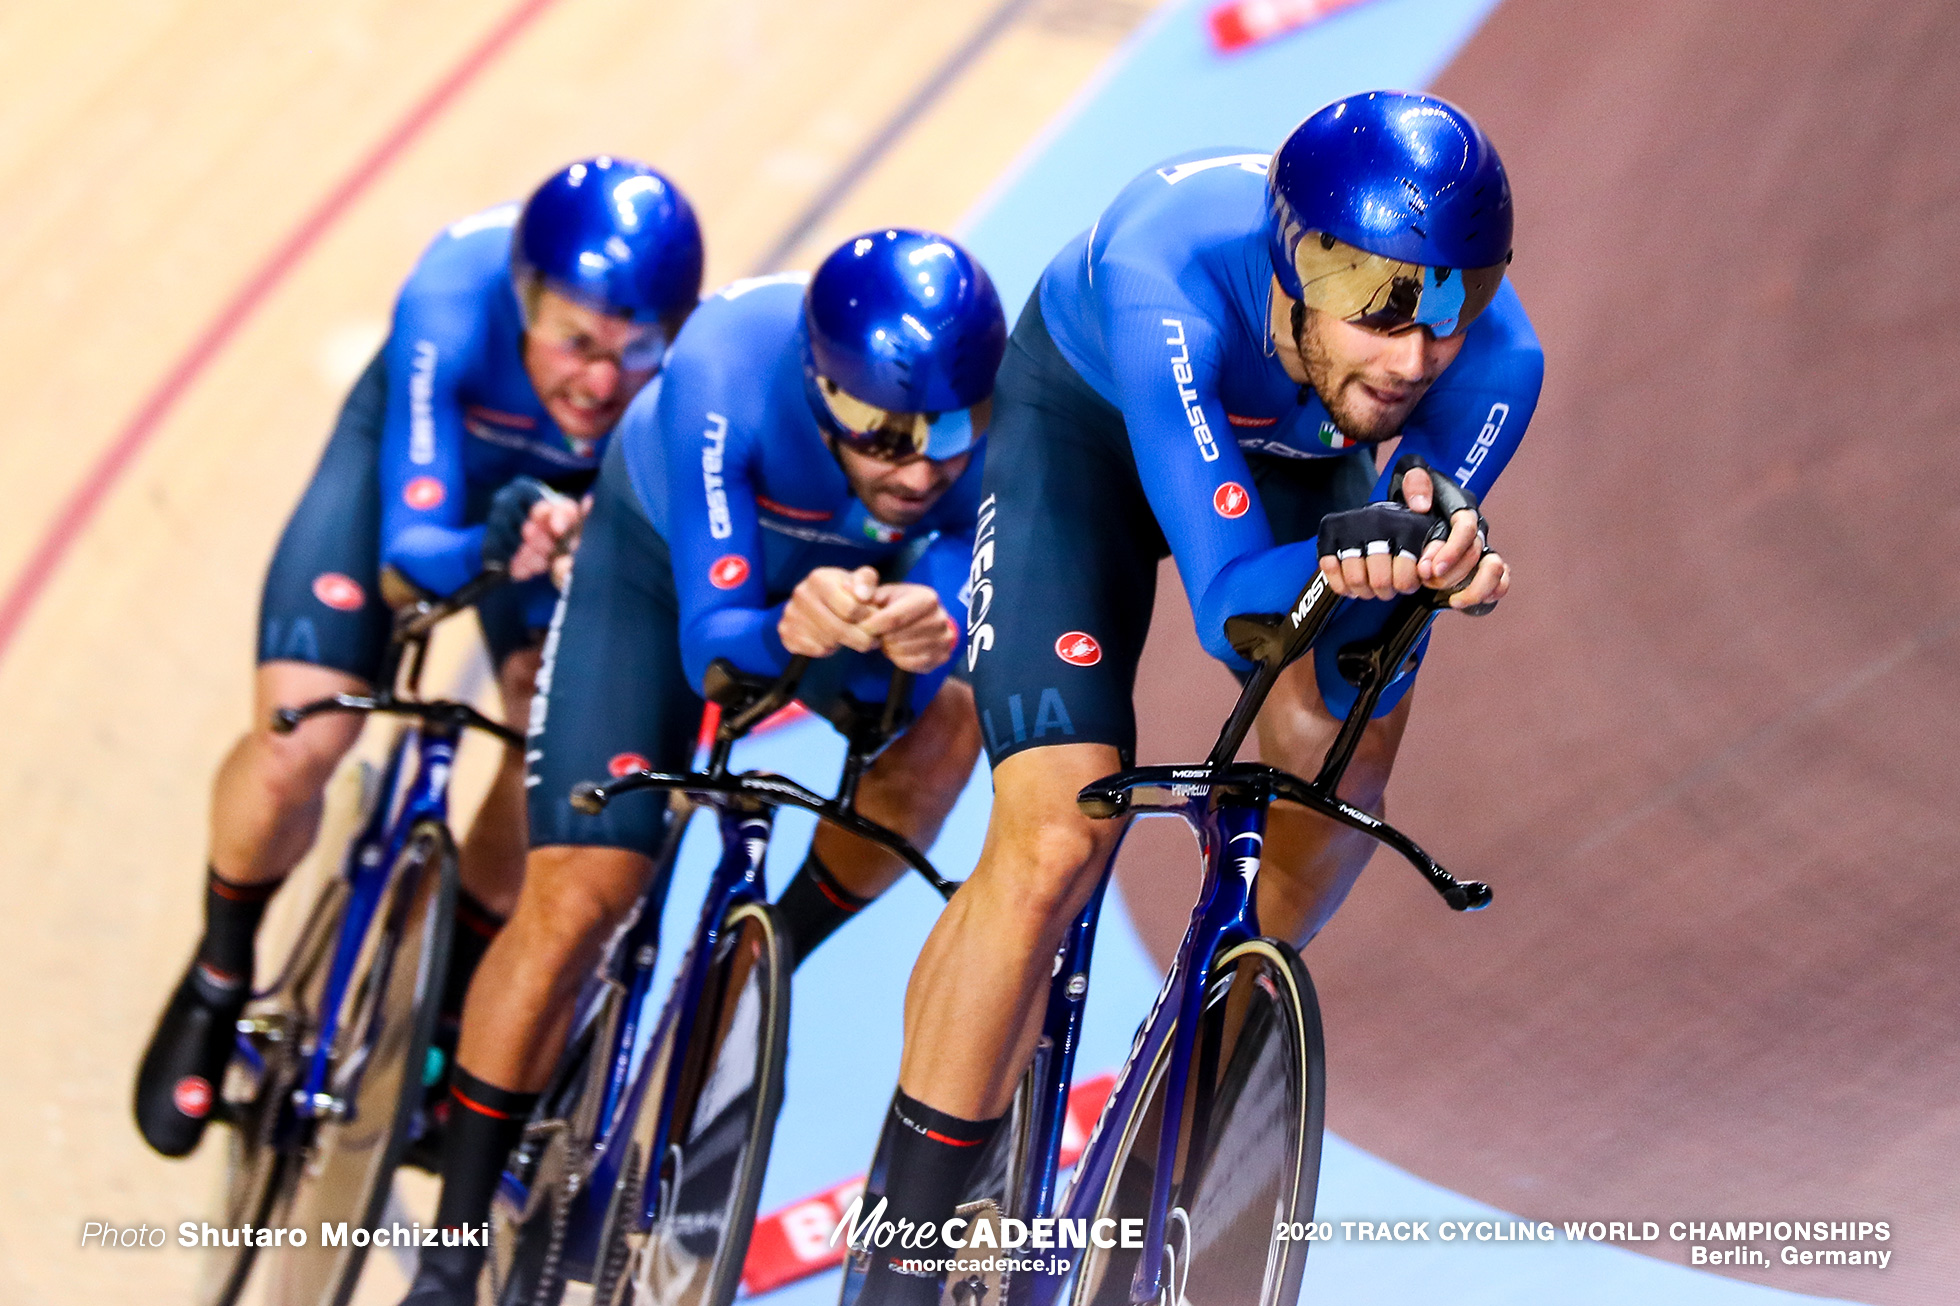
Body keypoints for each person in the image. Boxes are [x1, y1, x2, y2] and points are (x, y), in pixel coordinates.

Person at [845, 91, 1546, 1302]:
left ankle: (1200, 1031)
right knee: (1059, 829)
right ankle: (896, 1263)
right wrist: (1358, 550)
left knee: (1349, 738)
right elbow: (1233, 595)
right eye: (1378, 307)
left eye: (1451, 304)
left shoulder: (1495, 364)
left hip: (1288, 462)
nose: (1415, 354)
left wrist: (1428, 558)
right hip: (1090, 432)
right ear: (1293, 264)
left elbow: (1400, 545)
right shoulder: (1162, 266)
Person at [395, 227, 1005, 1304]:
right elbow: (719, 650)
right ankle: (448, 1256)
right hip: (667, 586)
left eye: (949, 431)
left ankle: (770, 954)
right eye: (884, 435)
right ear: (821, 390)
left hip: (848, 601)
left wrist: (938, 611)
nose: (921, 465)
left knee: (949, 715)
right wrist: (794, 626)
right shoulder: (723, 367)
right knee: (583, 895)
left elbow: (970, 549)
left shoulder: (986, 419)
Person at [132, 156, 704, 1161]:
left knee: (545, 734)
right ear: (525, 301)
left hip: (552, 533)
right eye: (575, 342)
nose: (601, 381)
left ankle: (442, 1013)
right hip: (422, 501)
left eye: (634, 351)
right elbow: (409, 559)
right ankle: (218, 973)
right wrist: (493, 540)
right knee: (296, 747)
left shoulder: (691, 383)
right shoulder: (452, 296)